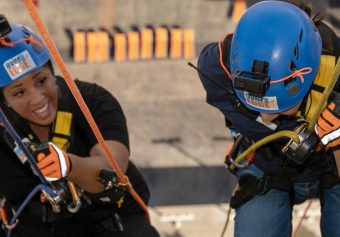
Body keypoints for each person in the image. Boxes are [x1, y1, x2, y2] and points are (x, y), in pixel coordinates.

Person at [0, 21, 160, 237]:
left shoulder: (91, 101)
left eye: (41, 80)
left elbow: (112, 167)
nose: (37, 99)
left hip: (108, 217)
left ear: (51, 72)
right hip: (36, 226)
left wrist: (68, 165)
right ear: (4, 102)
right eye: (19, 93)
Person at [196, 0, 340, 236]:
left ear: (308, 72)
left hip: (330, 165)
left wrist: (338, 139)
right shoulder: (216, 68)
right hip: (266, 163)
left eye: (281, 106)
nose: (267, 115)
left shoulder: (335, 69)